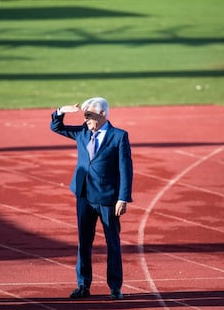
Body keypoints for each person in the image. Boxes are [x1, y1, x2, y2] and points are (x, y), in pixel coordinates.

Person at [50, 97, 133, 300]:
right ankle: (83, 285)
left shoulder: (119, 136)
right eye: (85, 116)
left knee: (112, 243)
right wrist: (62, 110)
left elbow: (126, 170)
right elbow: (56, 127)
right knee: (83, 242)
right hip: (84, 196)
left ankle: (115, 287)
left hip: (108, 199)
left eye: (89, 116)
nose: (86, 120)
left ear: (103, 114)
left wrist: (123, 198)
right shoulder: (82, 132)